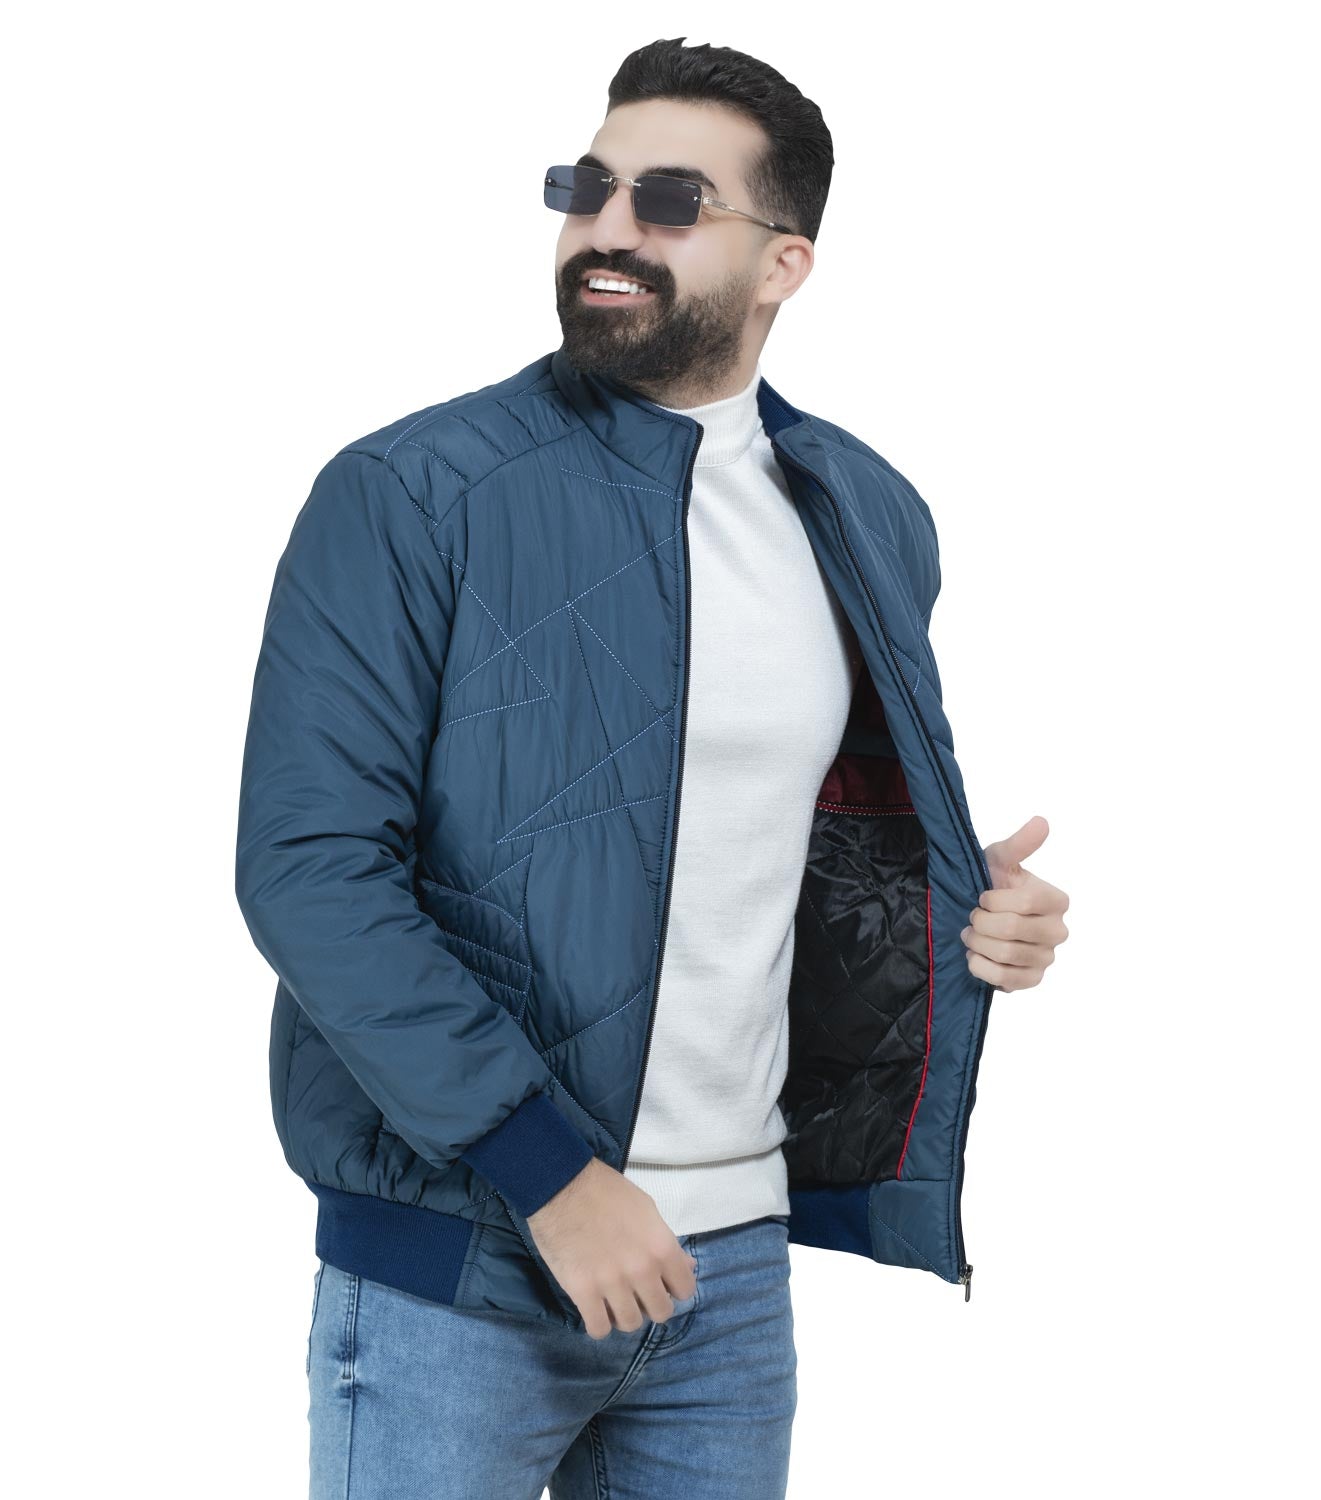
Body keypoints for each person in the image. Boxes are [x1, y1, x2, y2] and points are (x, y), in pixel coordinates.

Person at [235, 36, 1070, 1500]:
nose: (609, 228)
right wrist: (549, 1176)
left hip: (730, 1275)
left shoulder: (865, 510)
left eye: (672, 201)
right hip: (467, 1264)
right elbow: (310, 874)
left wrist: (957, 912)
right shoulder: (411, 494)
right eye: (590, 187)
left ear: (785, 263)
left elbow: (792, 843)